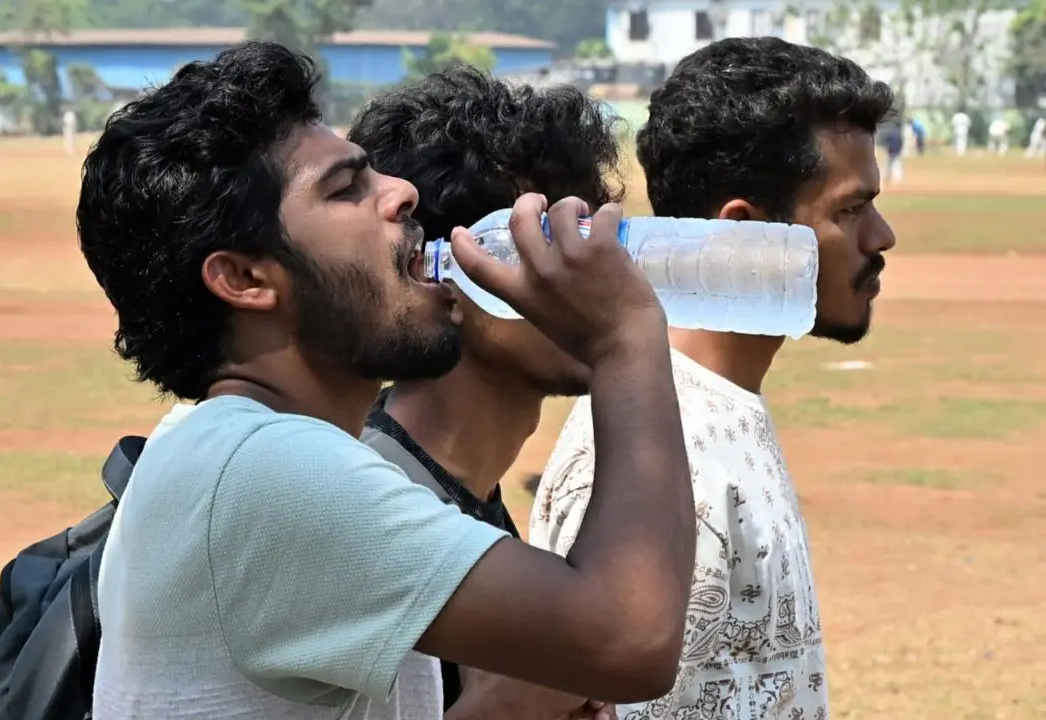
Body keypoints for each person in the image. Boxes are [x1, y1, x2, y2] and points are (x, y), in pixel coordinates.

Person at [78, 41, 696, 719]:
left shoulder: (227, 451)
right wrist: (625, 338)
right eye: (346, 189)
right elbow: (632, 638)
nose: (403, 194)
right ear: (246, 278)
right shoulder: (267, 469)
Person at [530, 36, 898, 719]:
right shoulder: (661, 455)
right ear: (745, 233)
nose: (881, 237)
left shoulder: (712, 409)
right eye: (850, 210)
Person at [350, 66, 674, 720]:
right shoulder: (368, 508)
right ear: (448, 276)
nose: (602, 276)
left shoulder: (466, 501)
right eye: (551, 245)